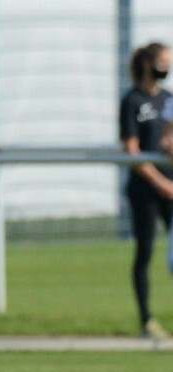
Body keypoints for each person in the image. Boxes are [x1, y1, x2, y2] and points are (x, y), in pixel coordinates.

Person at [120, 41, 173, 339]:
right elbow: (132, 151)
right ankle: (147, 320)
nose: (167, 68)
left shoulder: (168, 98)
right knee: (146, 252)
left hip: (170, 187)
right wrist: (161, 182)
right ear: (149, 63)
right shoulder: (132, 101)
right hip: (146, 189)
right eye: (164, 62)